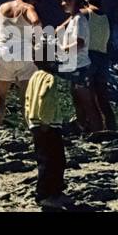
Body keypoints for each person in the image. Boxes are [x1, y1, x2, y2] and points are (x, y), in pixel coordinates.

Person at [0, 0, 42, 127]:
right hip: (23, 54)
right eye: (34, 1)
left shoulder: (2, 7)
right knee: (26, 97)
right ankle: (30, 128)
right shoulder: (27, 8)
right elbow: (36, 21)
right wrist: (38, 43)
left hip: (3, 52)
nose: (34, 5)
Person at [25, 46, 69, 209]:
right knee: (55, 160)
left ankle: (52, 191)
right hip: (48, 125)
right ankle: (46, 193)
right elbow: (47, 100)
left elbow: (28, 100)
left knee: (44, 158)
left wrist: (30, 120)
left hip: (35, 123)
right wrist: (46, 121)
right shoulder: (49, 78)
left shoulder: (34, 77)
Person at [56, 0, 102, 132]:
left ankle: (98, 132)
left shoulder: (79, 20)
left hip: (80, 67)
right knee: (78, 101)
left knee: (87, 103)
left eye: (65, 1)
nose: (62, 4)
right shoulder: (75, 19)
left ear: (73, 1)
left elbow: (79, 43)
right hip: (75, 65)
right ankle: (85, 130)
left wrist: (62, 51)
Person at [82, 0, 117, 131]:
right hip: (103, 57)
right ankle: (111, 127)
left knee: (86, 93)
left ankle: (91, 126)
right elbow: (109, 42)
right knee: (102, 96)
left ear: (86, 2)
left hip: (88, 55)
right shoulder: (108, 18)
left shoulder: (85, 14)